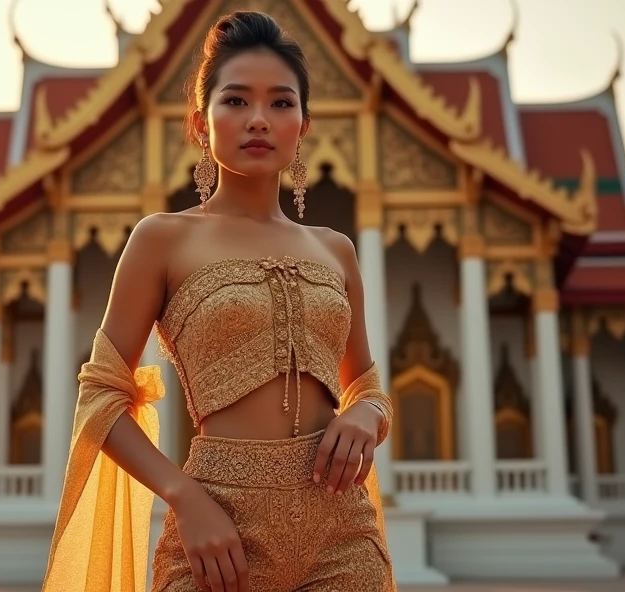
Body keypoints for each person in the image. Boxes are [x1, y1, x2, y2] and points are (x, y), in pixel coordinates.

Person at [41, 10, 396, 592]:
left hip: (343, 534)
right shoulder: (163, 239)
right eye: (235, 101)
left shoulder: (337, 251)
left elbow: (368, 388)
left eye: (281, 103)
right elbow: (101, 394)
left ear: (304, 125)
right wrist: (183, 496)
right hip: (218, 529)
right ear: (202, 123)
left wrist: (367, 414)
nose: (259, 119)